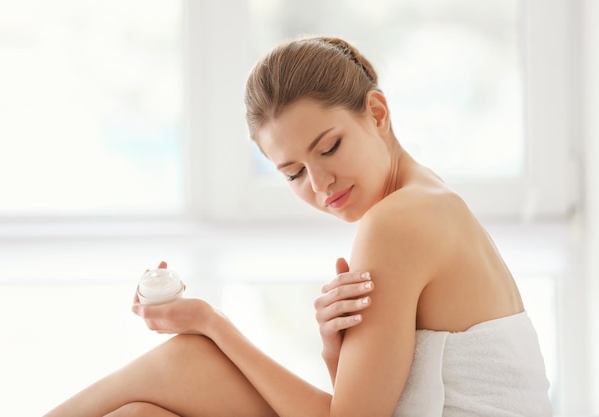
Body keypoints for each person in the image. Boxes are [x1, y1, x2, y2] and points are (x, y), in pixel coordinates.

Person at [44, 36, 552, 417]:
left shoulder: (399, 220)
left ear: (376, 113)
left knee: (186, 359)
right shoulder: (427, 199)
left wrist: (212, 323)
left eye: (329, 147)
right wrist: (336, 352)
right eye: (292, 173)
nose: (321, 183)